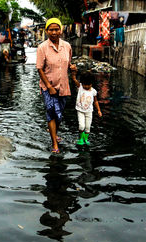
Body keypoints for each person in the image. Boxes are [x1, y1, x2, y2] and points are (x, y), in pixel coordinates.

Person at [36, 18, 76, 154]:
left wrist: (73, 70)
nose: (54, 32)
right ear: (46, 31)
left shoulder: (67, 46)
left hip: (63, 85)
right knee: (52, 113)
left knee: (59, 115)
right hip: (48, 87)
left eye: (56, 29)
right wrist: (49, 86)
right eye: (51, 30)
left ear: (61, 30)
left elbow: (67, 63)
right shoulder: (42, 47)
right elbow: (40, 69)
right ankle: (54, 143)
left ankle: (54, 133)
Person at [71, 70, 102, 145]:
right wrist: (74, 73)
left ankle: (86, 139)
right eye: (85, 85)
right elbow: (74, 79)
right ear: (82, 83)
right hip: (80, 110)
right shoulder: (80, 87)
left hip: (89, 111)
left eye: (89, 85)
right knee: (81, 126)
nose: (87, 86)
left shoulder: (93, 91)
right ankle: (81, 139)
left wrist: (99, 110)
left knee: (88, 128)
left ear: (92, 83)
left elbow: (96, 101)